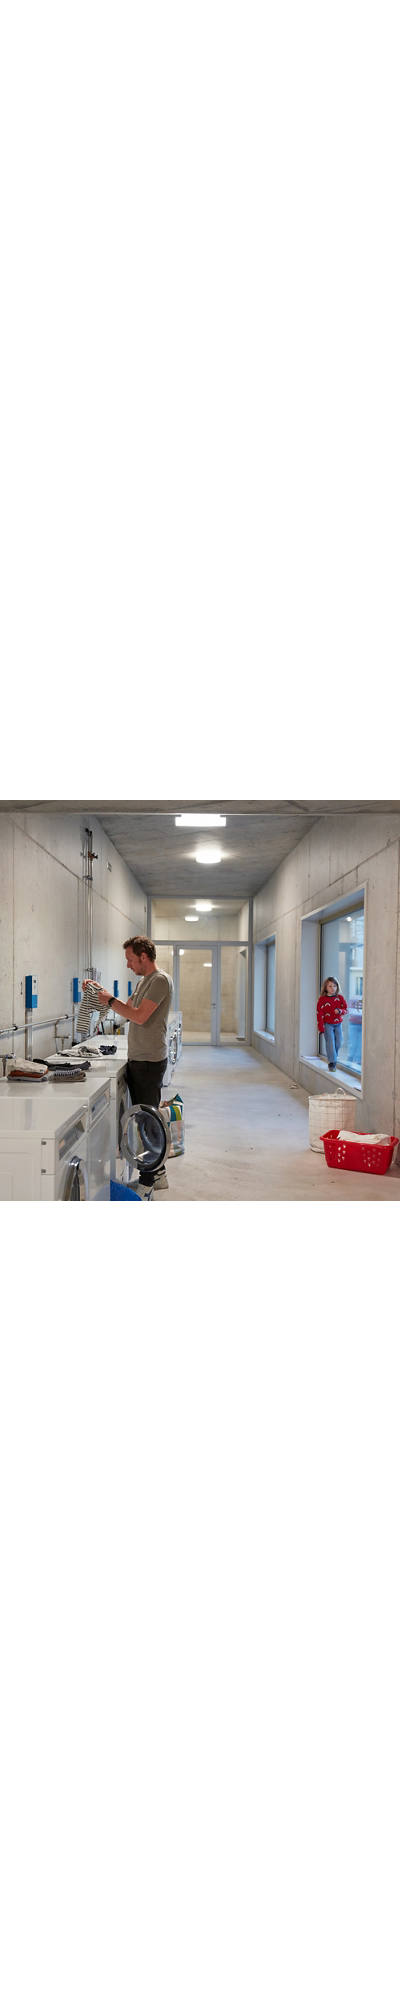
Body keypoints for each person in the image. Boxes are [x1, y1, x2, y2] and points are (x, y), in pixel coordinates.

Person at [83, 936, 173, 1191]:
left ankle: (153, 1178)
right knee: (143, 1118)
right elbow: (128, 1006)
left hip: (149, 1061)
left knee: (148, 1120)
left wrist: (109, 1000)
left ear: (143, 956)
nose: (128, 965)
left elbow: (139, 1016)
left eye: (130, 959)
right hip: (139, 1058)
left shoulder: (159, 980)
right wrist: (100, 992)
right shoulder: (145, 981)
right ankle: (156, 1174)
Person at [316, 976, 348, 1071]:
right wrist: (321, 1027)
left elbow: (346, 1010)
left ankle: (333, 1056)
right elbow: (319, 1014)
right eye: (330, 986)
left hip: (338, 1023)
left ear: (337, 987)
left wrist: (340, 1011)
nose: (332, 988)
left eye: (334, 986)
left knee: (339, 1042)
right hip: (327, 1024)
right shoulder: (322, 1000)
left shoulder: (340, 998)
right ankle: (332, 1063)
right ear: (325, 987)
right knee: (330, 1042)